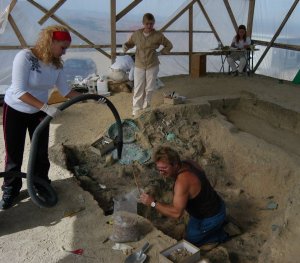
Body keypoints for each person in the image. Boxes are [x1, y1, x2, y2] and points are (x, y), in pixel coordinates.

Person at [0, 25, 81, 210]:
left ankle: (41, 183)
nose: (64, 52)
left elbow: (66, 91)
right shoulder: (25, 57)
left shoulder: (56, 64)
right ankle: (10, 188)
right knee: (14, 153)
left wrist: (93, 99)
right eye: (63, 47)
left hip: (39, 112)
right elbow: (19, 91)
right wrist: (45, 107)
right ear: (51, 42)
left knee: (40, 153)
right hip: (16, 109)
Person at [140, 146, 228, 247]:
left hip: (211, 217)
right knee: (190, 231)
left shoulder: (182, 182)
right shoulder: (189, 163)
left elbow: (177, 214)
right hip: (217, 205)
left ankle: (222, 234)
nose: (161, 172)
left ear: (176, 165)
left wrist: (152, 203)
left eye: (164, 168)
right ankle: (218, 225)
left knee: (189, 243)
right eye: (159, 169)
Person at [123, 13, 173, 117]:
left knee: (149, 88)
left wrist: (162, 51)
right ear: (143, 23)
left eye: (151, 24)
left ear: (153, 23)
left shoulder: (158, 35)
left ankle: (145, 109)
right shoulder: (137, 34)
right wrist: (126, 46)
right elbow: (130, 43)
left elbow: (169, 45)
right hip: (139, 65)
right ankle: (136, 110)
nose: (149, 26)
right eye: (147, 24)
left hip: (152, 64)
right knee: (138, 88)